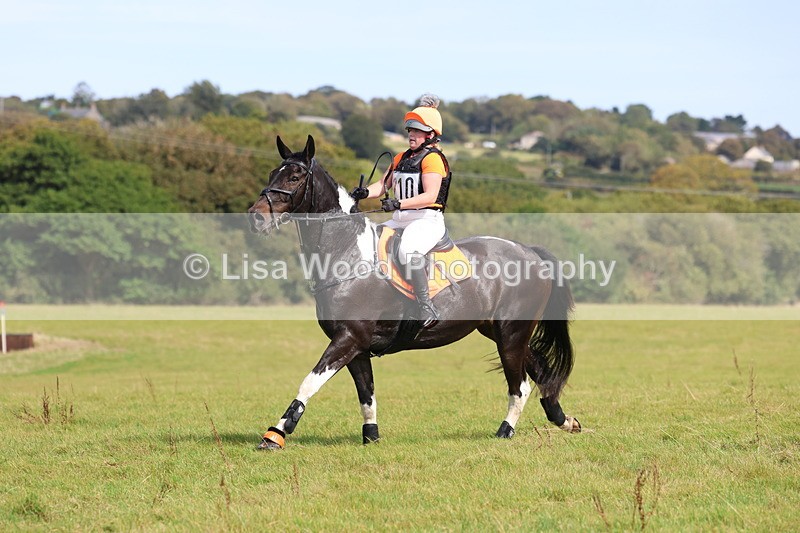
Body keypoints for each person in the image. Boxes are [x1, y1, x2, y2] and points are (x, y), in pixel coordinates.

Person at [350, 94, 452, 328]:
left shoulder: (433, 159)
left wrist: (398, 204)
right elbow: (383, 185)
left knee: (408, 250)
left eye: (416, 131)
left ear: (430, 135)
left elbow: (430, 196)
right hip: (401, 218)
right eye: (410, 131)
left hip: (427, 220)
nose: (411, 136)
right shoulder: (401, 158)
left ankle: (426, 307)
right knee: (369, 243)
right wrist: (364, 192)